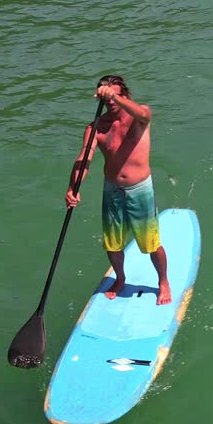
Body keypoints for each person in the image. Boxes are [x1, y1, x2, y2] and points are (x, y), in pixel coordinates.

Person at [65, 75, 170, 304]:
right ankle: (120, 278)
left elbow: (144, 114)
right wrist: (73, 188)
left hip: (140, 190)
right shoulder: (96, 128)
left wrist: (114, 96)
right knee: (112, 244)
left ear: (125, 96)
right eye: (107, 97)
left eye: (116, 96)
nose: (111, 101)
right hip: (112, 190)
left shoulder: (139, 116)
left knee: (150, 243)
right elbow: (84, 160)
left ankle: (163, 282)